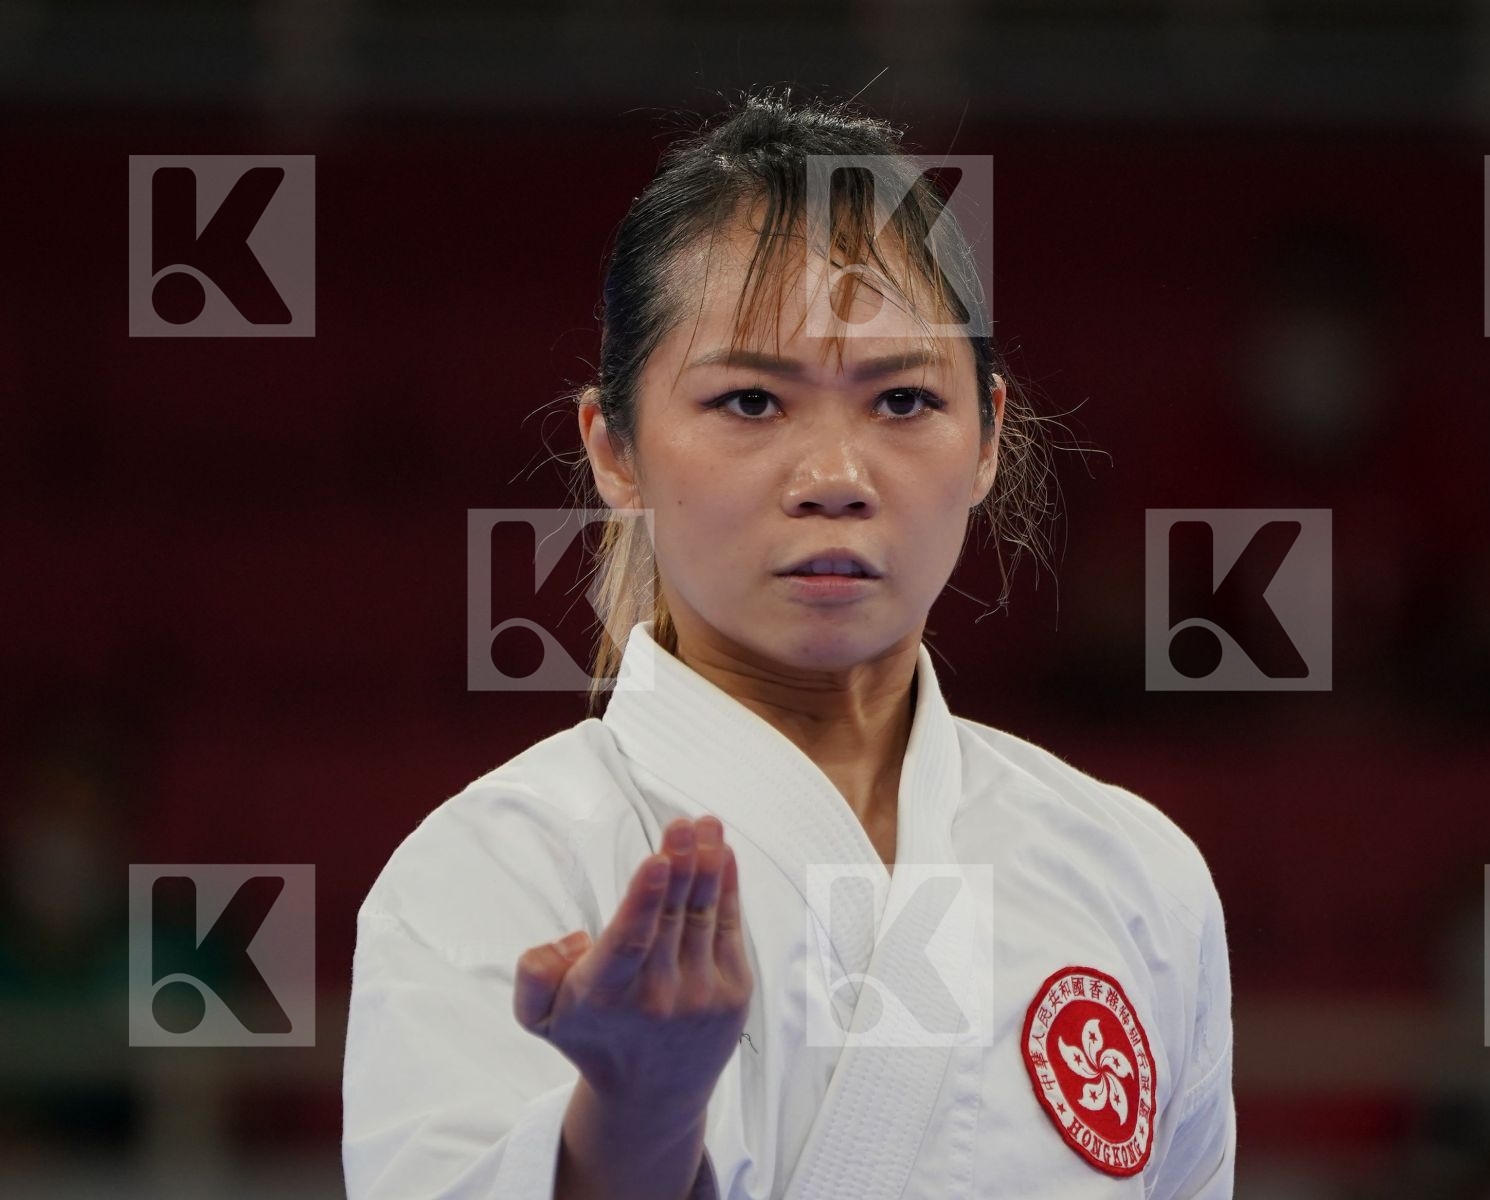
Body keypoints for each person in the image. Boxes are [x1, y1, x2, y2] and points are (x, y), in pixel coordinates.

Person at [342, 86, 1235, 1199]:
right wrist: (636, 1114)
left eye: (904, 400)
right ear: (615, 448)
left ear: (991, 438)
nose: (835, 480)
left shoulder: (1135, 875)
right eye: (752, 403)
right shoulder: (496, 872)